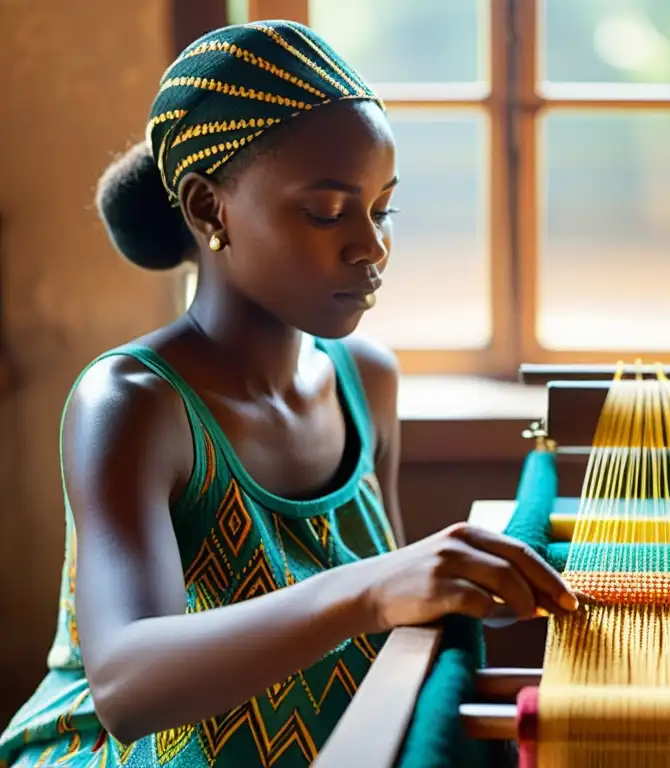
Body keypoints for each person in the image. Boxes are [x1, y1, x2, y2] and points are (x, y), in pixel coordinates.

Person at [0, 20, 577, 767]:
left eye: (383, 208)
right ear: (210, 210)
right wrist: (370, 587)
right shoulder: (135, 402)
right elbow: (127, 684)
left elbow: (385, 631)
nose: (370, 246)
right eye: (327, 212)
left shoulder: (365, 380)